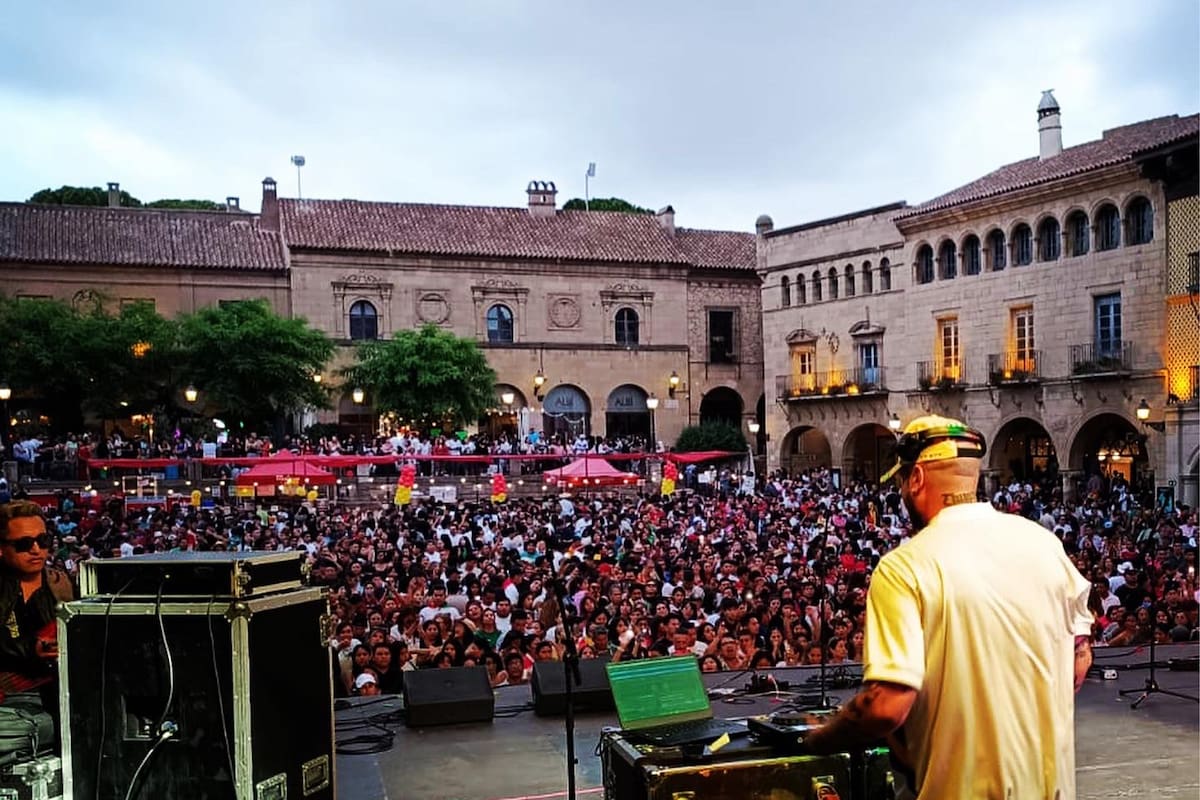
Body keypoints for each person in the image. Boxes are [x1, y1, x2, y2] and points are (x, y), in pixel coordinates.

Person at [799, 416, 1093, 799]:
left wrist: (819, 738)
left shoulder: (905, 566)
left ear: (916, 478)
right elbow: (1078, 662)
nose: (902, 492)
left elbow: (887, 706)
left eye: (902, 481)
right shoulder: (1045, 544)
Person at [0, 501, 75, 716]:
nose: (36, 550)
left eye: (43, 541)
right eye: (24, 544)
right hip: (10, 699)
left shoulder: (62, 584)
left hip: (62, 693)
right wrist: (30, 649)